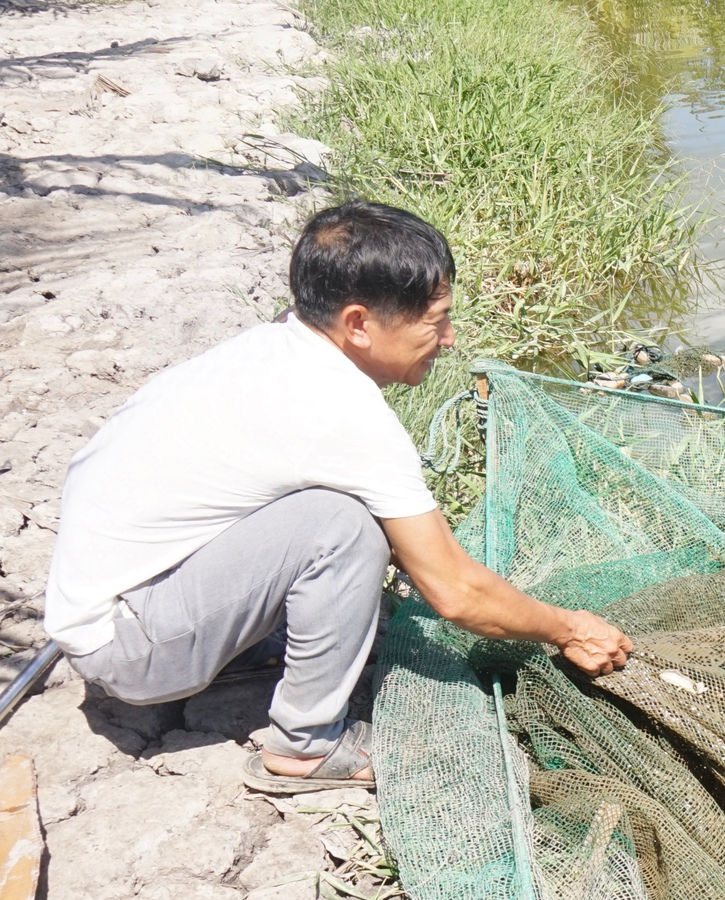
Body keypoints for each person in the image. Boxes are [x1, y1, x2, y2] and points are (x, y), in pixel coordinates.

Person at [42, 201, 634, 793]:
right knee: (344, 525)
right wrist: (568, 629)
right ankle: (306, 745)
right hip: (127, 648)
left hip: (124, 599)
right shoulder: (341, 415)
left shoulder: (281, 341)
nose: (449, 340)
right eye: (435, 321)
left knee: (343, 517)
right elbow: (454, 592)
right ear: (357, 324)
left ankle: (250, 650)